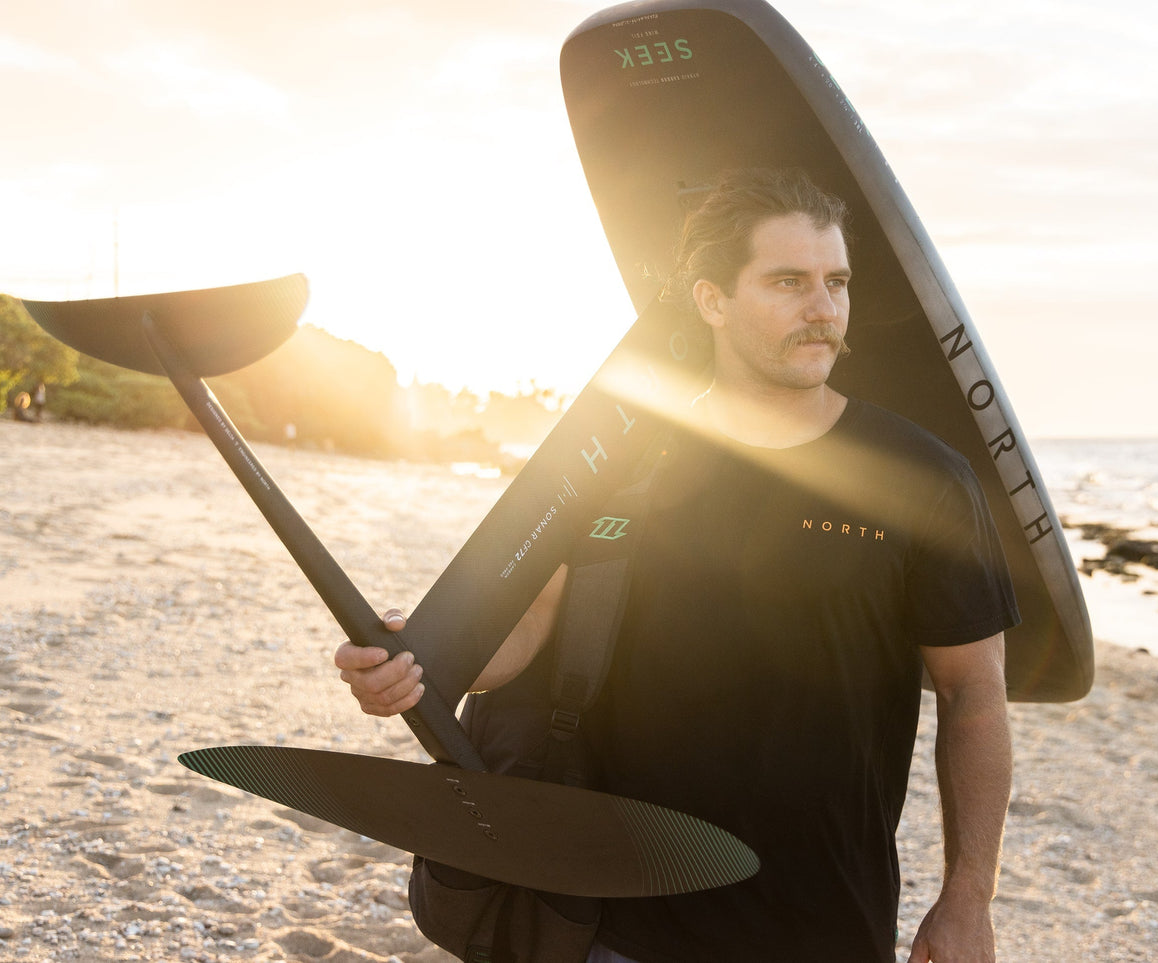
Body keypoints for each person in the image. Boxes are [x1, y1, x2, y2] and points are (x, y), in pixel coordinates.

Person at [336, 169, 1019, 963]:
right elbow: (526, 626)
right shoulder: (622, 465)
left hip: (824, 917)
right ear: (711, 301)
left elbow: (973, 695)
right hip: (621, 917)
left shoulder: (921, 478)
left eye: (836, 282)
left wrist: (968, 895)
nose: (822, 308)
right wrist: (416, 660)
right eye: (788, 281)